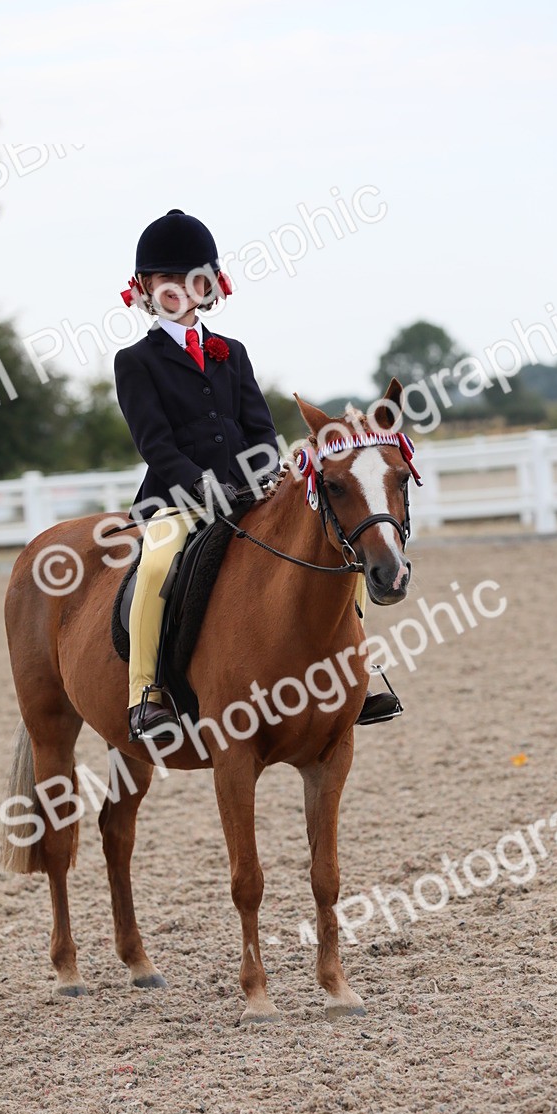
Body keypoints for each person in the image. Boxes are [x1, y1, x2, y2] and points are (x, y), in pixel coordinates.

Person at [114, 209, 398, 744]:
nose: (179, 288)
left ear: (208, 284)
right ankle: (146, 692)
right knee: (155, 566)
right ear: (147, 288)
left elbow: (260, 429)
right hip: (177, 500)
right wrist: (204, 487)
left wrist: (264, 475)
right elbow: (155, 445)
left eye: (191, 277)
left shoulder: (233, 352)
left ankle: (359, 670)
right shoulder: (135, 361)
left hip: (250, 493)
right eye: (166, 280)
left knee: (339, 549)